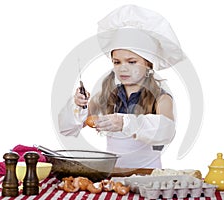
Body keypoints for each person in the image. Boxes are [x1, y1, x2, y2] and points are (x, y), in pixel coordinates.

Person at [58, 5, 184, 168]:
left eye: (132, 62)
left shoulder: (161, 98)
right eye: (117, 62)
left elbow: (166, 132)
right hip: (114, 176)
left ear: (148, 65)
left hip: (148, 177)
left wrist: (125, 122)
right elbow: (66, 129)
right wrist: (77, 106)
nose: (123, 68)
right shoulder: (106, 96)